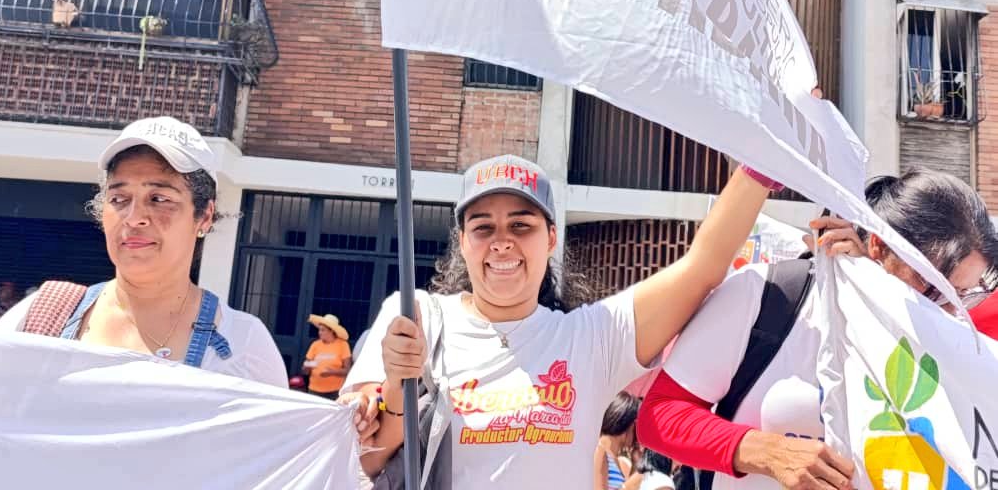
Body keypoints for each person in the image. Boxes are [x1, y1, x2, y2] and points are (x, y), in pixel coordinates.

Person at [342, 150, 792, 489]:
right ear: (462, 241)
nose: (501, 243)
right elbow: (364, 461)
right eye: (483, 227)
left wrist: (761, 163)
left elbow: (703, 267)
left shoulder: (591, 337)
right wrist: (393, 386)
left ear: (551, 237)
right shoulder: (416, 314)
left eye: (521, 226)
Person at [637, 169, 998, 490]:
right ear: (879, 246)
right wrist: (768, 453)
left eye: (963, 294)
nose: (947, 310)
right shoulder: (770, 296)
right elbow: (660, 416)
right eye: (934, 287)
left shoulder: (953, 347)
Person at [0, 116, 287, 387]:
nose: (134, 217)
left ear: (205, 217)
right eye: (119, 198)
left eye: (159, 198)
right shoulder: (40, 318)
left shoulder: (242, 347)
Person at [596, 393, 640, 489]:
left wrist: (636, 464)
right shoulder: (600, 450)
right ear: (630, 425)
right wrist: (628, 486)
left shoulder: (615, 459)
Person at [303, 313, 352, 399]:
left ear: (331, 331)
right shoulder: (315, 345)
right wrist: (306, 367)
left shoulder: (343, 345)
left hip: (335, 391)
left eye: (323, 330)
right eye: (319, 330)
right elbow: (305, 368)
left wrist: (331, 372)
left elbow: (347, 370)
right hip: (314, 390)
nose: (319, 333)